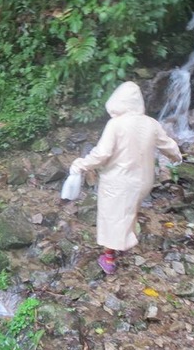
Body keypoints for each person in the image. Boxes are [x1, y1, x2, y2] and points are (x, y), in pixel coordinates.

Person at [70, 81, 181, 275]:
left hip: (118, 180)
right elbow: (168, 145)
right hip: (143, 182)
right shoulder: (151, 124)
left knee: (111, 216)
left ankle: (109, 257)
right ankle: (125, 239)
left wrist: (81, 164)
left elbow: (102, 154)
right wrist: (177, 157)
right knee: (129, 210)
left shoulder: (116, 124)